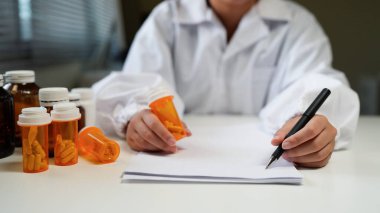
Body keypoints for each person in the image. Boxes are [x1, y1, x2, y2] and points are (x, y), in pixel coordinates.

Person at [92, 0, 359, 168]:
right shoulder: (166, 17)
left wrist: (311, 125)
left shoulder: (298, 23)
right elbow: (136, 86)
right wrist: (135, 118)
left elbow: (319, 83)